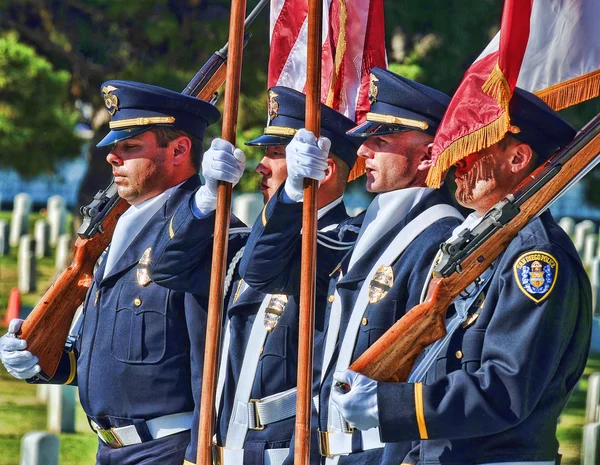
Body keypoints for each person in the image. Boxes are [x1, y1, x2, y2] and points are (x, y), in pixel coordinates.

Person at [332, 88, 592, 465]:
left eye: (474, 146)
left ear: (518, 158)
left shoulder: (535, 258)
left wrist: (391, 405)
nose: (457, 159)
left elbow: (504, 389)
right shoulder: (488, 243)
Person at [0, 80, 247, 465]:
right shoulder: (116, 235)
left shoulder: (209, 234)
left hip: (168, 452)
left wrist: (199, 456)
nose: (112, 158)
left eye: (130, 147)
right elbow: (107, 356)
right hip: (110, 451)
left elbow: (211, 367)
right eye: (113, 147)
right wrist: (40, 361)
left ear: (180, 150)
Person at [239, 67, 465, 464]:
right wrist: (292, 194)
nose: (362, 152)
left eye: (380, 141)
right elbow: (260, 272)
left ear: (429, 154)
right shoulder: (358, 232)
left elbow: (432, 368)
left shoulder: (441, 240)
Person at [146, 85, 363, 465]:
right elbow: (164, 267)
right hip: (214, 448)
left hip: (283, 453)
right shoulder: (247, 242)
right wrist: (207, 197)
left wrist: (293, 195)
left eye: (277, 154)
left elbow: (263, 267)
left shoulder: (348, 246)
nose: (260, 165)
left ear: (322, 168)